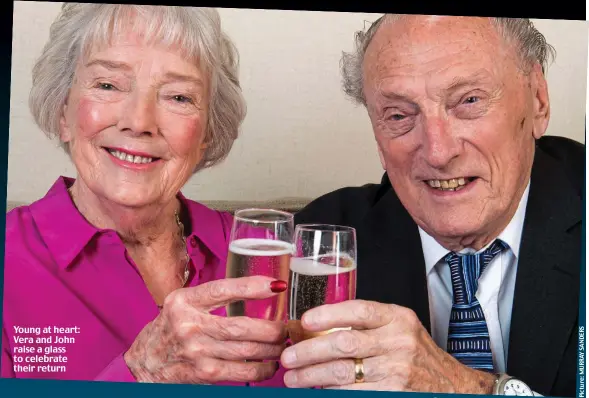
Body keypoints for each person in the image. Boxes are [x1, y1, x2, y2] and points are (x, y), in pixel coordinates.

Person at [282, 15, 582, 397]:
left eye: (468, 101)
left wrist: (471, 388)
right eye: (399, 115)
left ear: (538, 100)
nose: (438, 153)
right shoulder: (320, 246)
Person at [1, 4, 288, 386]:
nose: (139, 122)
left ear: (206, 134)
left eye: (178, 97)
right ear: (62, 112)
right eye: (107, 85)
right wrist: (140, 372)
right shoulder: (11, 256)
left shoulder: (265, 252)